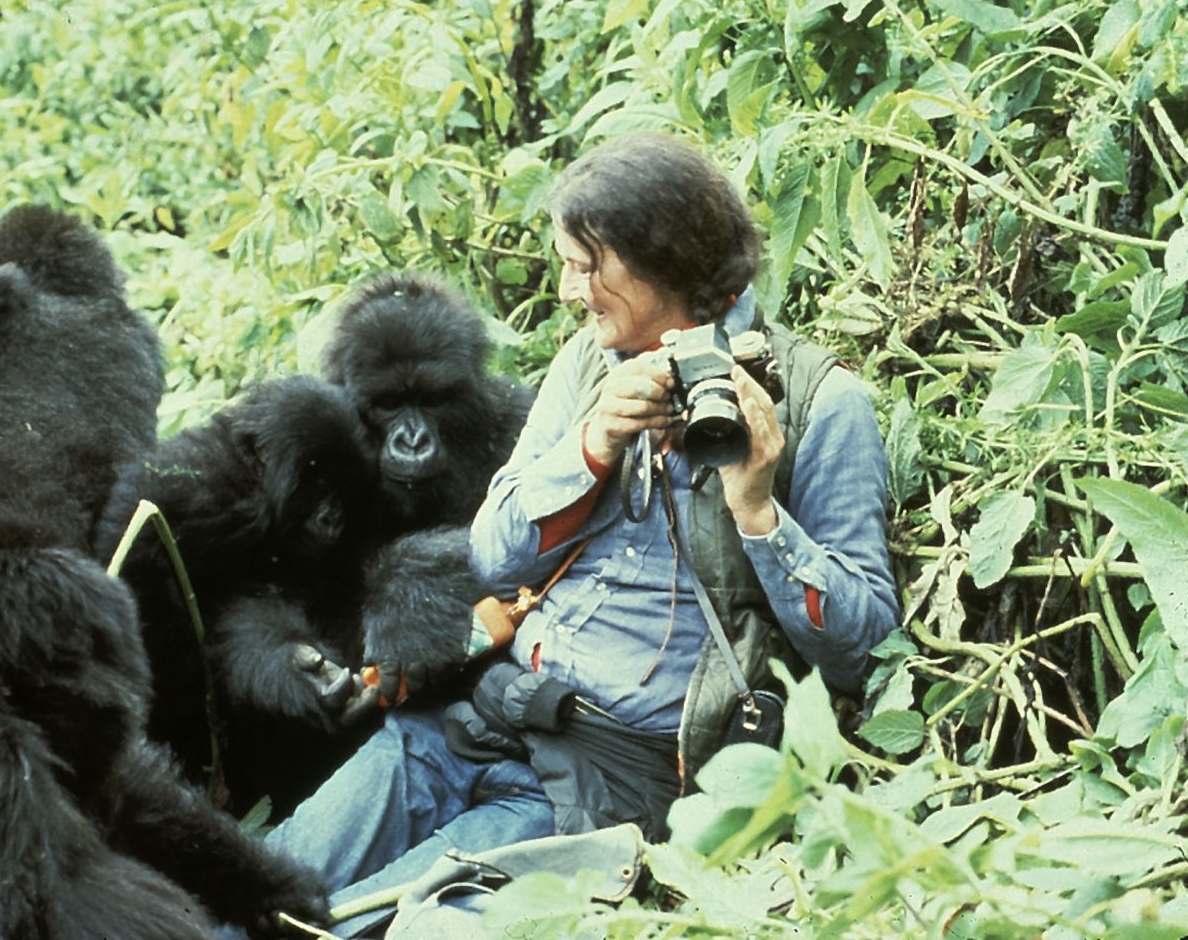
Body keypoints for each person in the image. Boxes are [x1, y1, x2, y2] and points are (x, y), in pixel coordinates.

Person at [266, 131, 898, 927]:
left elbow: (865, 646)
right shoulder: (586, 364)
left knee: (397, 921)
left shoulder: (822, 403)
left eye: (584, 265)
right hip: (483, 715)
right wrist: (593, 444)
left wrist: (759, 509)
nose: (571, 290)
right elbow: (492, 560)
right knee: (268, 882)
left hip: (613, 772)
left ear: (657, 258)